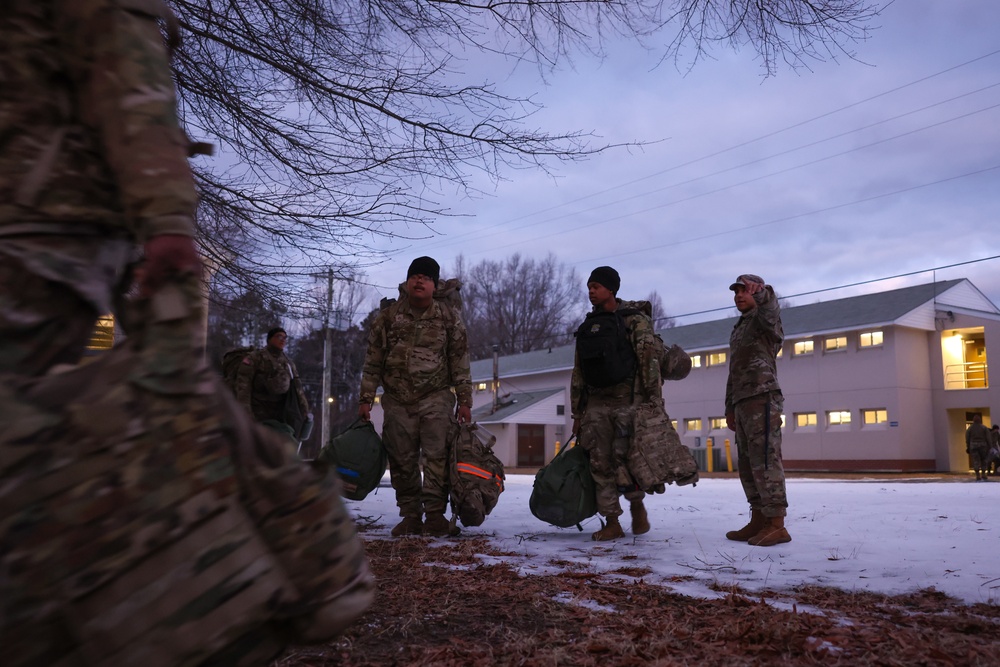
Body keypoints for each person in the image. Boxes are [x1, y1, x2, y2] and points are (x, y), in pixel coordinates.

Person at [0, 2, 373, 662]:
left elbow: (126, 69)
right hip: (45, 242)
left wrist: (168, 220)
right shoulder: (255, 356)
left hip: (39, 248)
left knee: (58, 446)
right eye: (280, 339)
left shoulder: (272, 359)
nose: (282, 344)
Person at [358, 256, 473, 537]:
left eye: (426, 277)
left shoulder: (448, 318)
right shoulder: (388, 317)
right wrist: (366, 398)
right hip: (397, 400)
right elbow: (373, 359)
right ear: (407, 282)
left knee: (436, 457)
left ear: (435, 285)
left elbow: (459, 359)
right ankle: (410, 515)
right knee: (401, 459)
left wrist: (465, 399)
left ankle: (434, 516)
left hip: (436, 397)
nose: (419, 281)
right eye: (414, 276)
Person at [570, 266, 660, 541]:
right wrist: (578, 410)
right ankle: (612, 521)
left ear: (612, 289)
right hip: (596, 405)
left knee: (626, 461)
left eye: (597, 286)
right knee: (599, 464)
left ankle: (636, 504)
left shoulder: (634, 320)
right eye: (589, 286)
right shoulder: (588, 326)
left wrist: (653, 401)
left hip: (627, 402)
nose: (591, 291)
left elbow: (649, 361)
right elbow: (579, 371)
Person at [724, 274, 791, 547]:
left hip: (762, 397)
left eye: (744, 291)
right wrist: (729, 406)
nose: (739, 295)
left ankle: (777, 524)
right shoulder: (739, 327)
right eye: (736, 291)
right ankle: (758, 518)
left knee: (765, 461)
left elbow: (771, 308)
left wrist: (763, 294)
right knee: (748, 464)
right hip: (742, 401)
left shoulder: (765, 320)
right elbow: (734, 370)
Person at [235, 326, 312, 440]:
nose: (283, 340)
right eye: (279, 336)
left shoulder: (288, 363)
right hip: (258, 412)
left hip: (281, 413)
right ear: (269, 339)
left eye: (285, 338)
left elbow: (298, 389)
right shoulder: (255, 358)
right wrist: (246, 414)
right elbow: (243, 387)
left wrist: (305, 411)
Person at [964, 414, 991, 482]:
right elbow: (988, 438)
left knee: (976, 460)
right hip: (983, 445)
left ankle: (977, 475)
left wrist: (968, 446)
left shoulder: (970, 428)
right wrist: (989, 446)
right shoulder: (984, 427)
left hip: (973, 445)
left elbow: (967, 438)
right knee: (984, 459)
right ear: (980, 420)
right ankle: (984, 474)